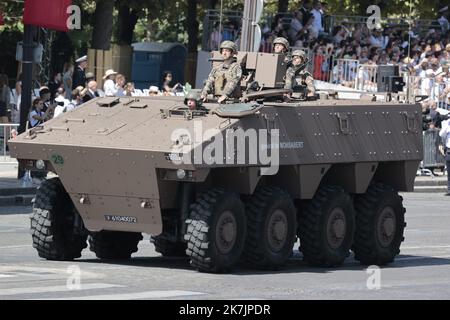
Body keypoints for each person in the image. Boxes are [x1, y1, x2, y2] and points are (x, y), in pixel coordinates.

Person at [439, 116, 450, 195]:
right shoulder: (447, 124)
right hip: (449, 150)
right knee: (449, 172)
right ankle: (449, 189)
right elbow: (441, 134)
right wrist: (447, 125)